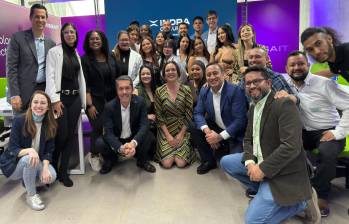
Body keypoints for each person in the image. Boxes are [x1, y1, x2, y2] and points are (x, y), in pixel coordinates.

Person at [220, 66, 317, 223]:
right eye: (248, 83)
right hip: (261, 159)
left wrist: (262, 169)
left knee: (252, 221)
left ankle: (300, 203)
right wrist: (251, 163)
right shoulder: (253, 107)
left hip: (285, 170)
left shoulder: (284, 104)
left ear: (269, 82)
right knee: (226, 162)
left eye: (256, 81)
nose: (251, 86)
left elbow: (291, 147)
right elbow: (248, 140)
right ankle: (267, 193)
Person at [285, 51, 349, 217]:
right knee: (279, 144)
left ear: (308, 65)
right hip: (303, 131)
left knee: (327, 154)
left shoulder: (323, 84)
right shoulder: (285, 83)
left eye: (301, 64)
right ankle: (288, 187)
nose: (297, 68)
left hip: (327, 130)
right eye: (292, 65)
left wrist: (338, 132)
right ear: (287, 68)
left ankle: (320, 194)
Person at [0, 91, 57, 210]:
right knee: (29, 158)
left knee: (51, 176)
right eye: (35, 102)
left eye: (43, 103)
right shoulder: (20, 120)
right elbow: (13, 149)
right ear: (30, 105)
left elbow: (49, 150)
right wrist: (30, 150)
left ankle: (27, 182)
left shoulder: (50, 123)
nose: (39, 105)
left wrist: (45, 168)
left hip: (35, 161)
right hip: (15, 163)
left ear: (47, 107)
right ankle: (31, 195)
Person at [45, 23, 86, 187]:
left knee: (70, 136)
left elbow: (79, 78)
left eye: (73, 32)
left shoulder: (76, 53)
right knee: (61, 135)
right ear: (62, 35)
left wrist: (83, 101)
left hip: (75, 100)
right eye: (67, 32)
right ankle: (52, 168)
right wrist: (54, 100)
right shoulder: (54, 52)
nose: (70, 35)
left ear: (76, 35)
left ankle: (63, 173)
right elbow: (50, 76)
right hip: (60, 100)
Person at [192, 63, 247, 174]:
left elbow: (240, 121)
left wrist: (219, 137)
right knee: (194, 126)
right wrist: (208, 133)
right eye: (209, 75)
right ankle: (209, 161)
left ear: (223, 74)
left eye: (215, 73)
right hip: (217, 127)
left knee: (235, 167)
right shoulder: (205, 90)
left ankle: (224, 146)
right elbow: (198, 113)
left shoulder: (235, 91)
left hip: (235, 133)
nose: (212, 77)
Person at [97, 75, 156, 174]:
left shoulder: (140, 102)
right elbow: (108, 132)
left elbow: (144, 125)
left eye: (127, 88)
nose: (124, 92)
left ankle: (141, 161)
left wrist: (133, 143)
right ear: (117, 91)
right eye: (121, 89)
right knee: (100, 143)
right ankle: (111, 160)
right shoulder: (109, 107)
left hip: (133, 137)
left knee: (149, 136)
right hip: (117, 138)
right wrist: (120, 148)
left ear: (132, 89)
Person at [81, 30, 120, 171]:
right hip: (94, 101)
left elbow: (117, 78)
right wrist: (89, 105)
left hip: (112, 100)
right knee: (98, 129)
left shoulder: (110, 57)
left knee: (111, 129)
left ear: (102, 40)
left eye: (97, 38)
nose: (95, 41)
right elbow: (85, 84)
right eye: (92, 39)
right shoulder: (84, 60)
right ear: (88, 42)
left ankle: (110, 156)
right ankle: (94, 154)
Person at [6, 4, 56, 112]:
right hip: (22, 95)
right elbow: (11, 68)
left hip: (44, 94)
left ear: (46, 19)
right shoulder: (17, 38)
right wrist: (14, 94)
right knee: (22, 126)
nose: (40, 20)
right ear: (31, 18)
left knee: (43, 128)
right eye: (36, 16)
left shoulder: (51, 43)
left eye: (43, 17)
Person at [155, 61, 195, 168]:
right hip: (166, 129)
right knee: (167, 164)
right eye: (167, 70)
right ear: (164, 75)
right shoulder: (159, 91)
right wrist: (168, 136)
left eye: (173, 70)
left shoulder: (186, 89)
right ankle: (168, 150)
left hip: (183, 128)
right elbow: (159, 115)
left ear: (178, 73)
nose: (170, 72)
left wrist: (181, 134)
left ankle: (185, 148)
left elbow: (189, 113)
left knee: (181, 163)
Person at [134, 65, 157, 137]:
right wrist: (147, 116)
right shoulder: (136, 91)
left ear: (152, 75)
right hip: (143, 126)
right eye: (143, 74)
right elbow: (133, 113)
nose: (145, 76)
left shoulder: (157, 89)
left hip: (158, 124)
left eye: (148, 73)